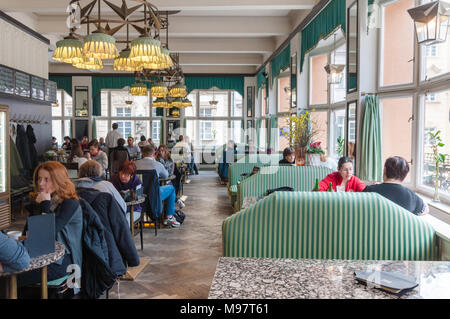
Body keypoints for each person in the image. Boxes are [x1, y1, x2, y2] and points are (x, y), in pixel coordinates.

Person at [18, 162, 82, 287]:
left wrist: (44, 206)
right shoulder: (43, 200)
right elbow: (27, 234)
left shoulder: (69, 204)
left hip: (64, 261)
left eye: (47, 179)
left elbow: (45, 237)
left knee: (12, 277)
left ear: (59, 181)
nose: (40, 183)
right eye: (39, 179)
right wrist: (37, 207)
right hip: (40, 257)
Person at [364, 156, 429, 216]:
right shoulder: (411, 197)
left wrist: (375, 187)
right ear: (405, 175)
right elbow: (426, 209)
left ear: (384, 170)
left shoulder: (369, 190)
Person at [134, 145, 181, 228]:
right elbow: (166, 175)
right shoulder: (157, 164)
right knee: (171, 188)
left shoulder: (135, 164)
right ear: (154, 154)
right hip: (153, 195)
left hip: (138, 195)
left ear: (142, 153)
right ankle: (169, 217)